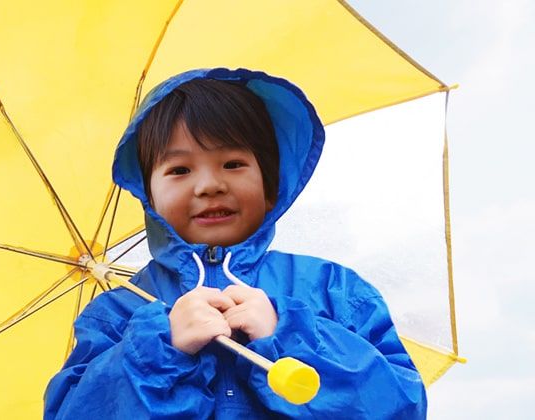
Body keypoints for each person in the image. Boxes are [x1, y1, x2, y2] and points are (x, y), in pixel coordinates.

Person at [44, 68, 426, 419]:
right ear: (150, 198)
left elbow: (401, 407)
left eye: (232, 164)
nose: (209, 185)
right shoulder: (117, 313)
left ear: (271, 187)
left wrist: (289, 335)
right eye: (179, 170)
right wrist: (159, 347)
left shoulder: (334, 291)